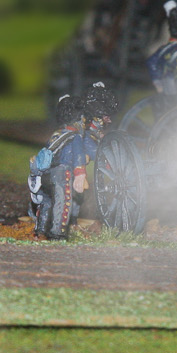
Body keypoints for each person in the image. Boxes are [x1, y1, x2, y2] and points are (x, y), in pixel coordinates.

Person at [29, 82, 112, 240]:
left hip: (46, 172)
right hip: (63, 172)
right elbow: (79, 155)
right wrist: (80, 174)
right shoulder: (75, 136)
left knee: (47, 203)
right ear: (79, 118)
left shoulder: (58, 133)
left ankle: (40, 230)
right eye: (84, 119)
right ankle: (58, 233)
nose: (85, 123)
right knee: (64, 202)